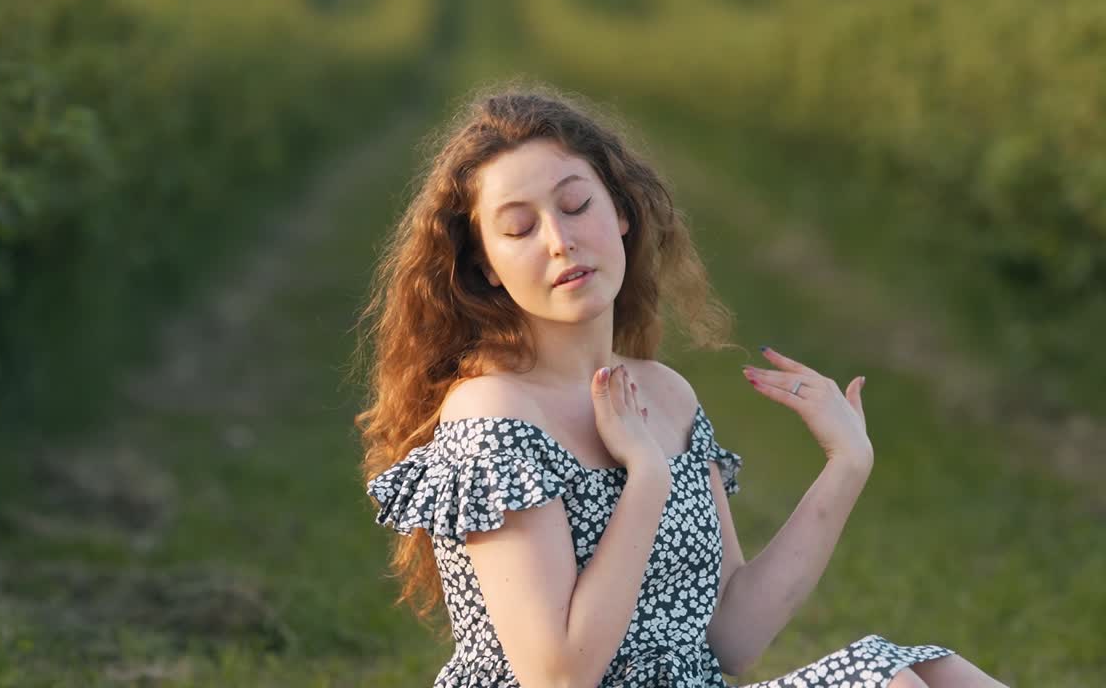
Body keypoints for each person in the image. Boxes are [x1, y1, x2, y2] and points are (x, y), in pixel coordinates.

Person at [353, 82, 1008, 687]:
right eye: (519, 228)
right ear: (487, 267)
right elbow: (558, 677)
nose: (559, 241)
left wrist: (847, 463)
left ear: (621, 213)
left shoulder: (665, 395)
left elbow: (730, 636)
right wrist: (646, 477)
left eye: (577, 206)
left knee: (935, 673)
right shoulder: (495, 412)